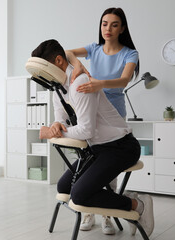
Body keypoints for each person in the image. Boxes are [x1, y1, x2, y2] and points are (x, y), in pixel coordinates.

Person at [31, 39, 154, 237]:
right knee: (64, 186)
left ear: (59, 61)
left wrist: (52, 133)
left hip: (121, 147)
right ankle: (123, 201)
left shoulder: (80, 83)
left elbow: (86, 131)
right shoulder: (59, 87)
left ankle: (137, 205)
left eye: (46, 68)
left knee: (79, 195)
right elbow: (59, 119)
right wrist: (55, 125)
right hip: (96, 149)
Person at [65, 7, 139, 234]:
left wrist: (99, 83)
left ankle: (108, 215)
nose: (108, 28)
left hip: (114, 117)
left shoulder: (129, 53)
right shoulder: (93, 49)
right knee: (89, 165)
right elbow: (67, 52)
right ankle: (88, 212)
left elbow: (124, 80)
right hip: (90, 114)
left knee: (109, 170)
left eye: (114, 24)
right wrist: (78, 66)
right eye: (104, 23)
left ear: (122, 28)